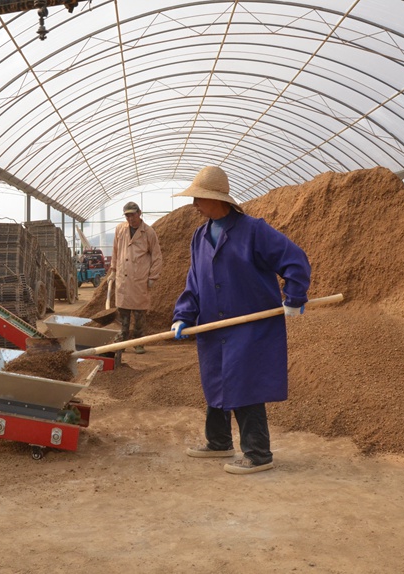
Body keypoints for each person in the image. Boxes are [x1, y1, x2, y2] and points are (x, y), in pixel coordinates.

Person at [170, 166, 310, 475]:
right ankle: (219, 441)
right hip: (213, 328)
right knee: (217, 382)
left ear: (217, 199)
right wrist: (182, 316)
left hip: (250, 328)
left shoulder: (254, 231)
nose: (194, 204)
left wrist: (295, 298)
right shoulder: (200, 236)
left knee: (246, 386)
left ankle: (258, 454)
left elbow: (294, 260)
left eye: (199, 198)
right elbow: (194, 282)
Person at [108, 201, 163, 354]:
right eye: (127, 216)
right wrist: (113, 269)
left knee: (139, 315)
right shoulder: (120, 229)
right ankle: (122, 342)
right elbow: (115, 250)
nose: (130, 218)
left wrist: (153, 277)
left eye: (132, 215)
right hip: (123, 279)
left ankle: (138, 342)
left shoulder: (149, 232)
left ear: (139, 213)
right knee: (123, 314)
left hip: (139, 279)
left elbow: (157, 257)